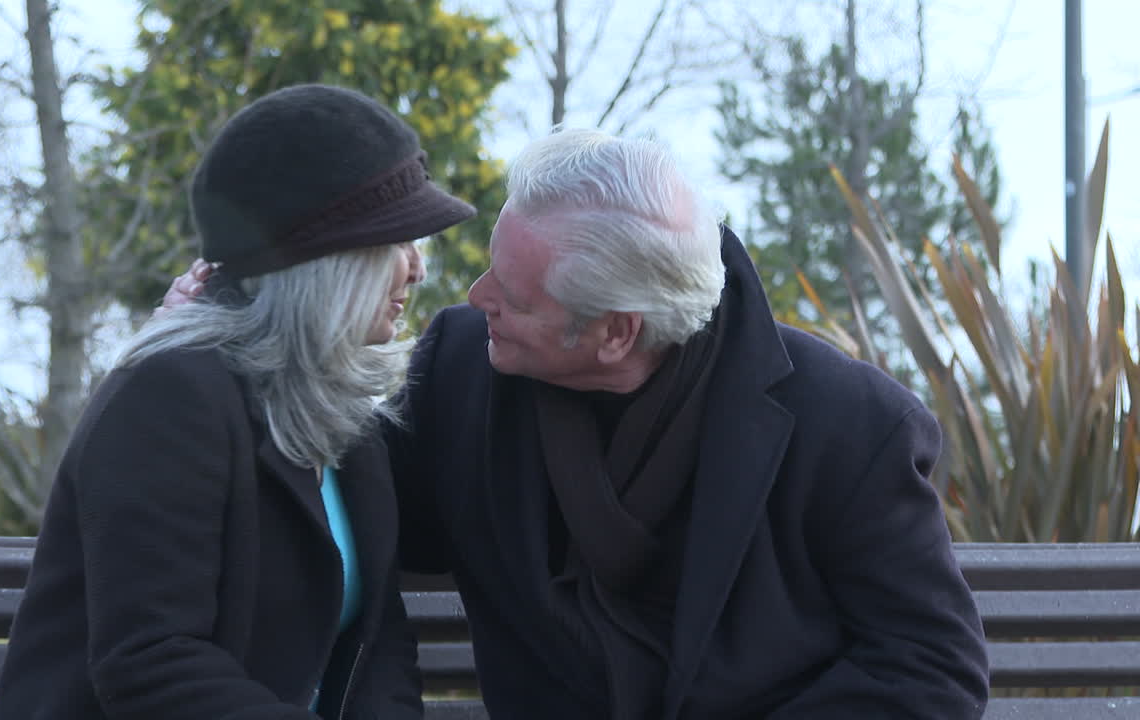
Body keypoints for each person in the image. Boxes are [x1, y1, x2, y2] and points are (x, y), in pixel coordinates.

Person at [166, 128, 990, 718]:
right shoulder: (460, 369)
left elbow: (930, 670)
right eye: (492, 264)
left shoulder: (851, 427)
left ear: (614, 333)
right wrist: (217, 349)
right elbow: (332, 502)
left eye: (515, 296)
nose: (476, 297)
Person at [0, 84, 476, 720]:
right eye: (398, 243)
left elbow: (381, 643)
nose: (415, 269)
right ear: (327, 264)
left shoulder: (341, 409)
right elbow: (153, 664)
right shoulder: (168, 398)